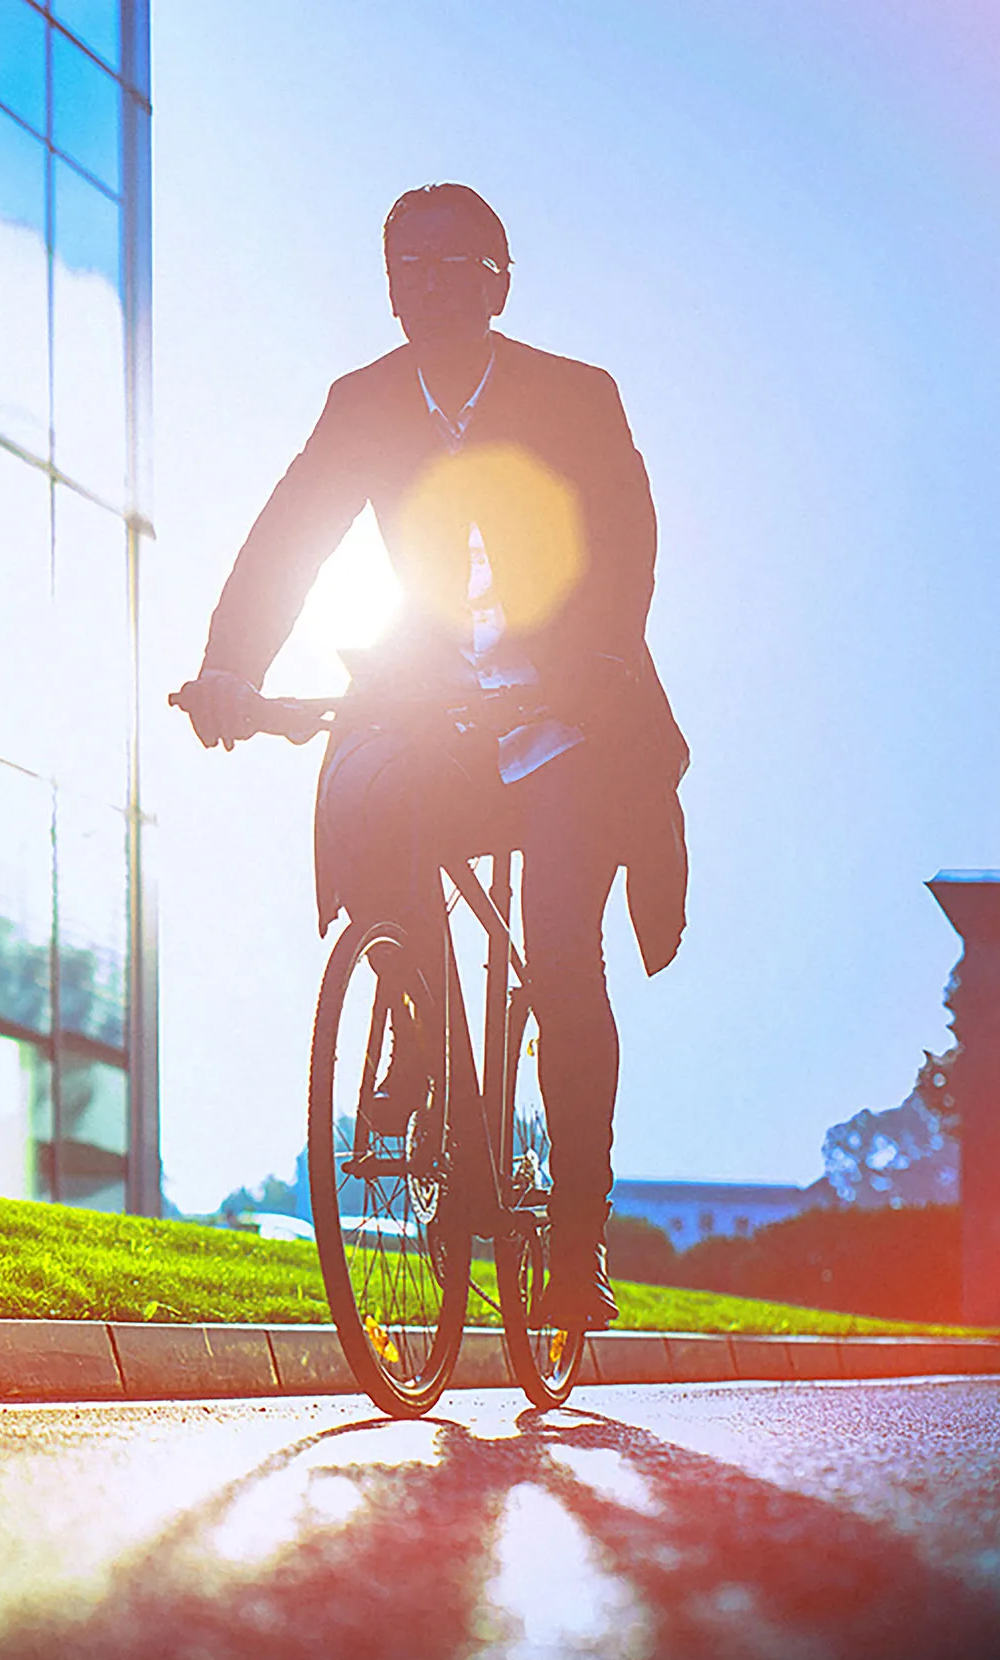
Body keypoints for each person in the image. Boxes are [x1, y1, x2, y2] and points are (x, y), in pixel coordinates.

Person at [173, 183, 688, 1330]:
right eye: (405, 264)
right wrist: (227, 668)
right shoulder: (359, 403)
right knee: (369, 807)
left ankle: (572, 1239)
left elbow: (625, 544)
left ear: (498, 285)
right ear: (386, 282)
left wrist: (596, 660)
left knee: (560, 954)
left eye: (455, 267)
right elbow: (287, 538)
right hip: (432, 707)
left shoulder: (571, 393)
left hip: (571, 717)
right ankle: (417, 1019)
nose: (426, 286)